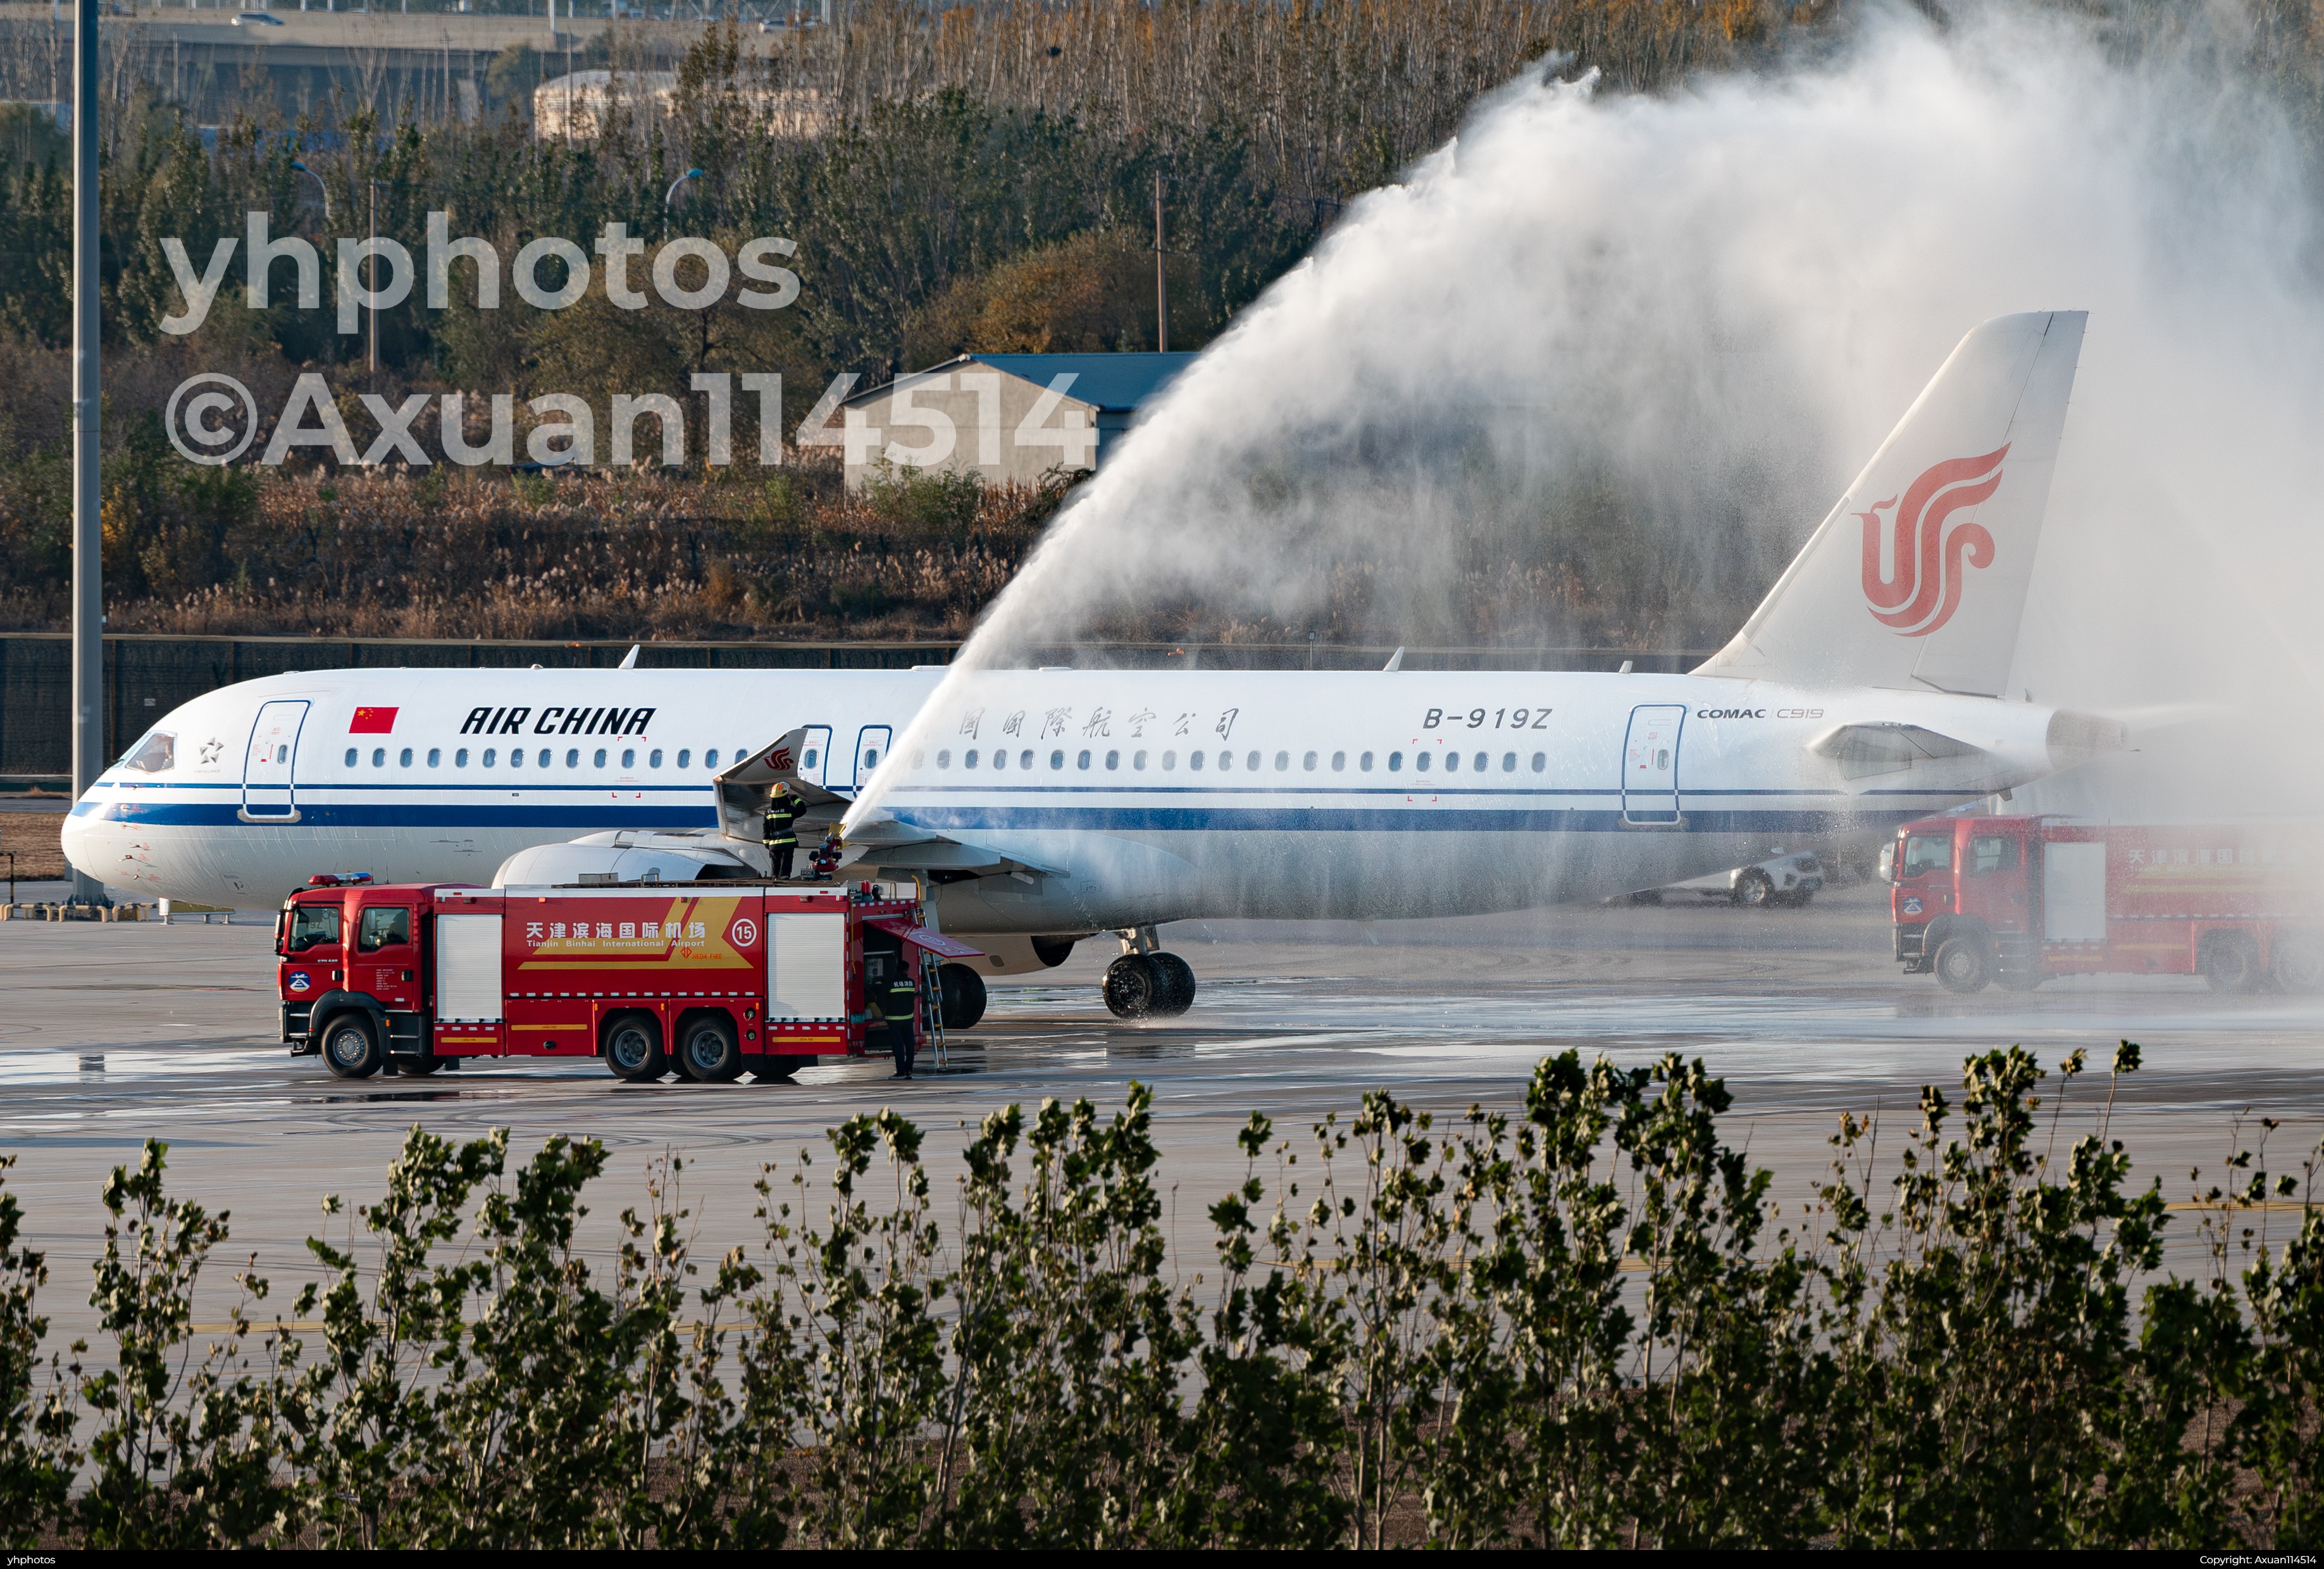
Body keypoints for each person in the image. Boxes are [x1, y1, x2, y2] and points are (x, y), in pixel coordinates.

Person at [762, 784, 799, 878]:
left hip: (774, 844)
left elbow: (766, 829)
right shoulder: (789, 810)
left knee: (775, 866)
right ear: (785, 797)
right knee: (786, 865)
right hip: (788, 842)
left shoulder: (768, 812)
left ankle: (775, 879)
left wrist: (767, 843)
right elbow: (802, 809)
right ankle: (784, 878)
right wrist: (795, 798)